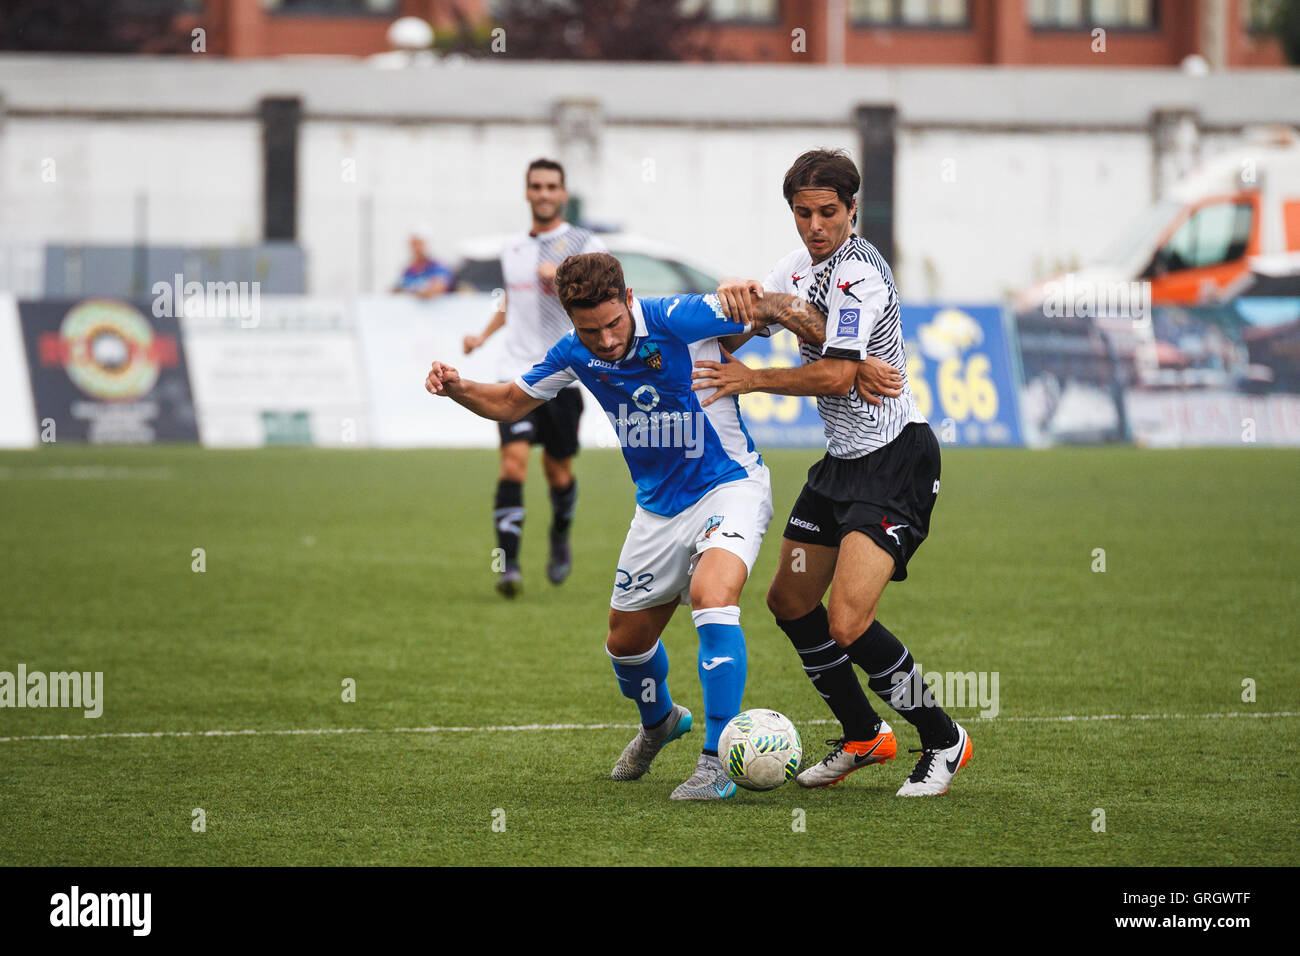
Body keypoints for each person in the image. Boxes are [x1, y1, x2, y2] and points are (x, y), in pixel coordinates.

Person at [426, 252, 811, 800]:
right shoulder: (573, 353)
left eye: (613, 324)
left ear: (629, 300)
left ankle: (717, 758)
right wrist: (458, 386)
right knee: (626, 646)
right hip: (657, 510)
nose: (605, 340)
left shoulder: (676, 317)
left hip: (730, 485)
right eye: (590, 330)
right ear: (571, 322)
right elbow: (511, 402)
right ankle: (659, 721)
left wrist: (821, 338)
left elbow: (771, 309)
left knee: (712, 596)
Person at [690, 148, 973, 797]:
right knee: (789, 601)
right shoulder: (797, 266)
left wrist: (754, 375)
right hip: (840, 465)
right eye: (802, 212)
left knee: (847, 621)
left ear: (851, 210)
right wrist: (740, 303)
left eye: (827, 212)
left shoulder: (859, 274)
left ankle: (943, 738)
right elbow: (744, 326)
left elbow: (837, 374)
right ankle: (863, 735)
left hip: (894, 459)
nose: (814, 225)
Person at [462, 159, 606, 596]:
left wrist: (566, 277)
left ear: (562, 194)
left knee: (558, 473)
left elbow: (603, 301)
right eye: (536, 186)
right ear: (527, 193)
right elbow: (514, 301)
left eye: (551, 186)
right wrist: (483, 336)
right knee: (513, 463)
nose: (543, 193)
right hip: (515, 373)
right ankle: (509, 567)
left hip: (562, 373)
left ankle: (560, 534)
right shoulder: (513, 247)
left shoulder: (584, 243)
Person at [392, 227, 454, 299]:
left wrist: (412, 293)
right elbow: (397, 290)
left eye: (419, 244)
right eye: (414, 244)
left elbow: (437, 288)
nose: (416, 248)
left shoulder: (438, 267)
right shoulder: (409, 270)